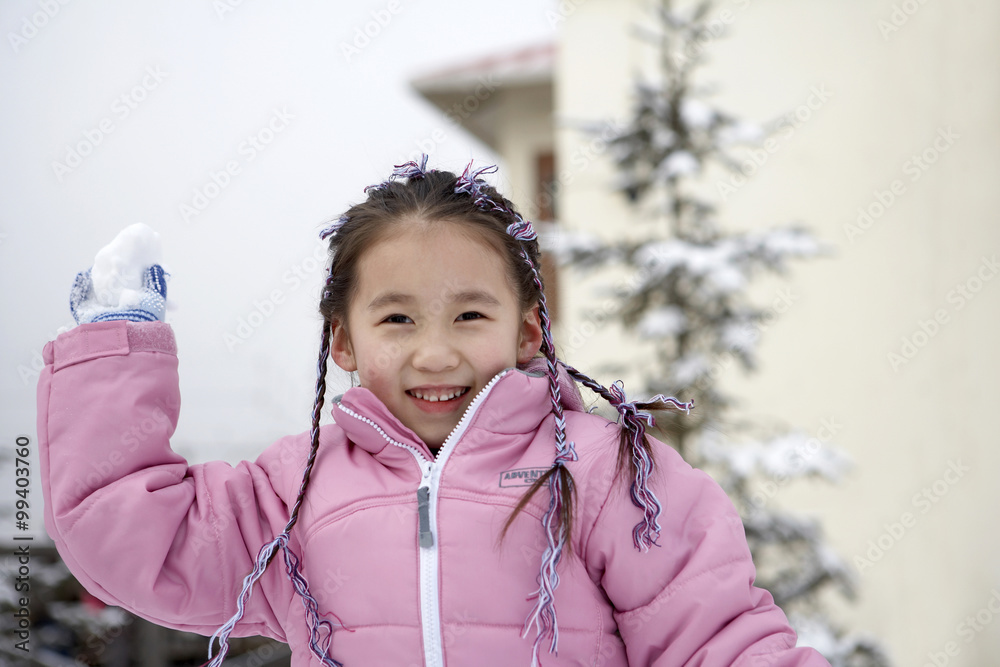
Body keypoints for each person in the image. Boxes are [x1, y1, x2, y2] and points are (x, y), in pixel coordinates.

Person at [38, 156, 830, 666]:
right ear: (342, 339)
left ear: (526, 329)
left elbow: (717, 641)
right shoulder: (295, 491)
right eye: (398, 319)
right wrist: (117, 347)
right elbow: (133, 534)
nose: (436, 351)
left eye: (469, 316)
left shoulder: (601, 470)